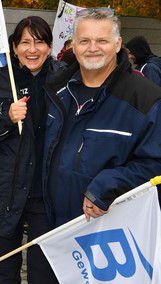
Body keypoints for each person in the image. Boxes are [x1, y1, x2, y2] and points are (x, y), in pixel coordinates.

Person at [0, 16, 61, 283]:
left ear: (49, 47)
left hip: (45, 195)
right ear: (14, 47)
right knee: (3, 271)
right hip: (1, 196)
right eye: (25, 42)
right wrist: (5, 117)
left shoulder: (65, 80)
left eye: (39, 42)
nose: (32, 49)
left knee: (45, 272)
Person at [43, 8, 161, 228]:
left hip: (109, 232)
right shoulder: (56, 91)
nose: (93, 48)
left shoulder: (145, 99)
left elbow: (156, 164)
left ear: (117, 44)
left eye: (102, 40)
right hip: (55, 231)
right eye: (84, 40)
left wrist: (110, 184)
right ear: (74, 46)